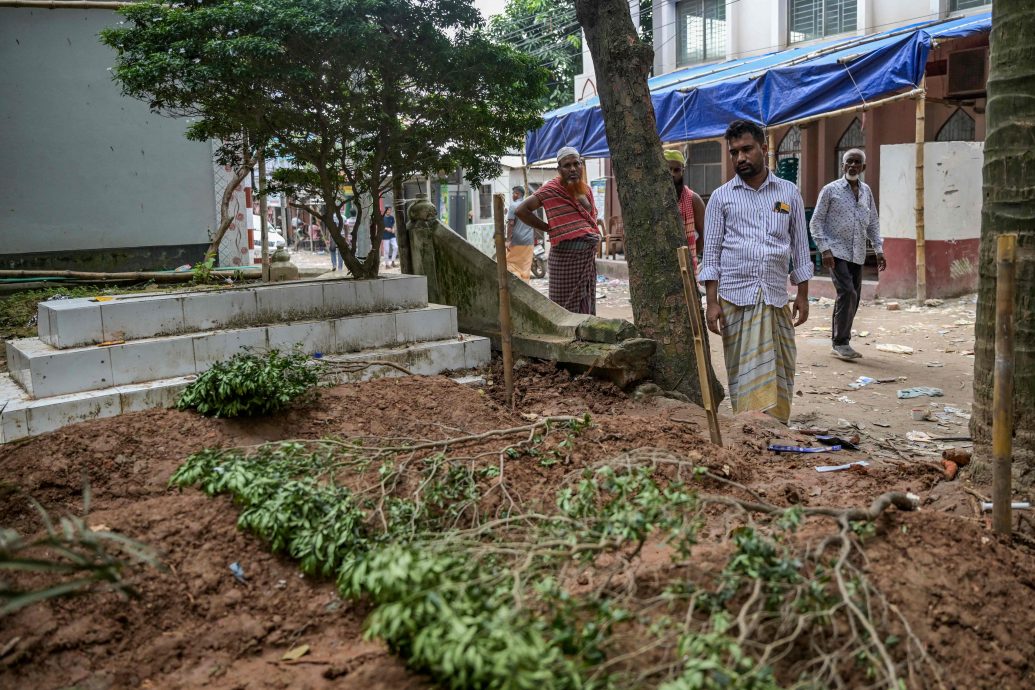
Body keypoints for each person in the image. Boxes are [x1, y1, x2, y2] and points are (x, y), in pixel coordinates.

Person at [700, 120, 813, 423]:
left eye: (747, 149)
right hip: (735, 300)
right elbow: (710, 254)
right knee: (743, 368)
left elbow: (800, 249)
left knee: (782, 366)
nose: (740, 158)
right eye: (734, 152)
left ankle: (775, 426)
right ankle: (749, 427)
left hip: (777, 298)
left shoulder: (788, 193)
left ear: (764, 149)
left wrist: (803, 295)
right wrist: (711, 302)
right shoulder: (721, 198)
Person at [810, 148, 886, 361]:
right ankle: (841, 342)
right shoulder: (830, 190)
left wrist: (879, 250)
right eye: (849, 162)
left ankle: (841, 339)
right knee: (847, 293)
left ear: (863, 167)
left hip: (858, 252)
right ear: (843, 166)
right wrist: (824, 249)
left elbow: (873, 223)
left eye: (857, 162)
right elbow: (815, 222)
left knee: (853, 297)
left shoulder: (866, 192)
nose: (853, 165)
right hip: (836, 252)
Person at [515, 147, 599, 314]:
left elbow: (591, 218)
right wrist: (548, 228)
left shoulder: (586, 190)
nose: (573, 169)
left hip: (586, 259)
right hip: (564, 260)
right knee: (563, 308)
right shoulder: (550, 189)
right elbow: (521, 210)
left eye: (576, 164)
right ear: (559, 169)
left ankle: (585, 339)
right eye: (567, 165)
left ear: (581, 166)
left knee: (586, 304)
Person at [664, 150, 705, 273]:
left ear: (683, 171)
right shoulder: (652, 200)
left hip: (685, 269)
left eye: (676, 170)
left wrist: (688, 257)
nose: (672, 174)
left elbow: (705, 236)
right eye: (668, 169)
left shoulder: (694, 200)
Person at [505, 186, 535, 280]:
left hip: (516, 241)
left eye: (513, 194)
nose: (512, 196)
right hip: (529, 241)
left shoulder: (513, 205)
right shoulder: (531, 206)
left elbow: (511, 223)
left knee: (510, 264)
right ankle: (525, 288)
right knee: (525, 268)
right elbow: (535, 223)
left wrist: (508, 240)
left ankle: (514, 288)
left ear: (517, 194)